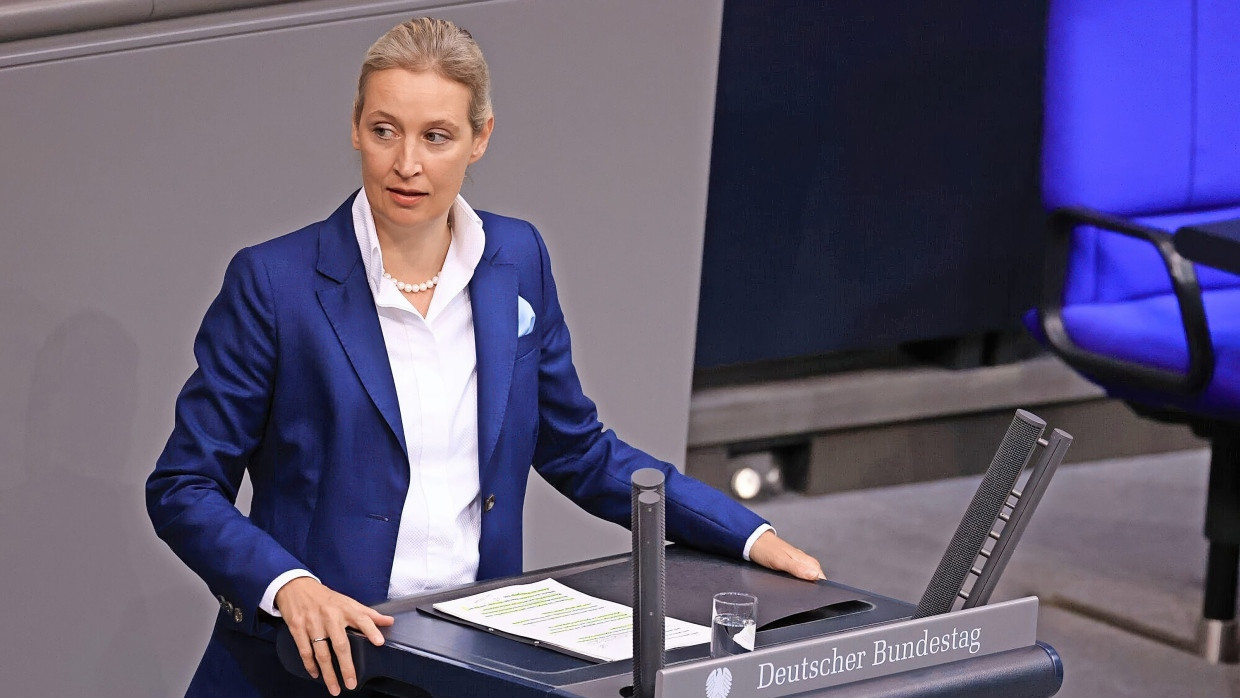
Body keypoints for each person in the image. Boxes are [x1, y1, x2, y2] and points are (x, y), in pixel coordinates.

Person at [146, 16, 824, 698]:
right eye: (385, 130)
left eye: (436, 136)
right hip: (310, 668)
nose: (406, 163)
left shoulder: (517, 260)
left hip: (468, 662)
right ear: (355, 126)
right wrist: (287, 586)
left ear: (480, 138)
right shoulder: (275, 283)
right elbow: (183, 486)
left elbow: (579, 451)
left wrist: (745, 534)